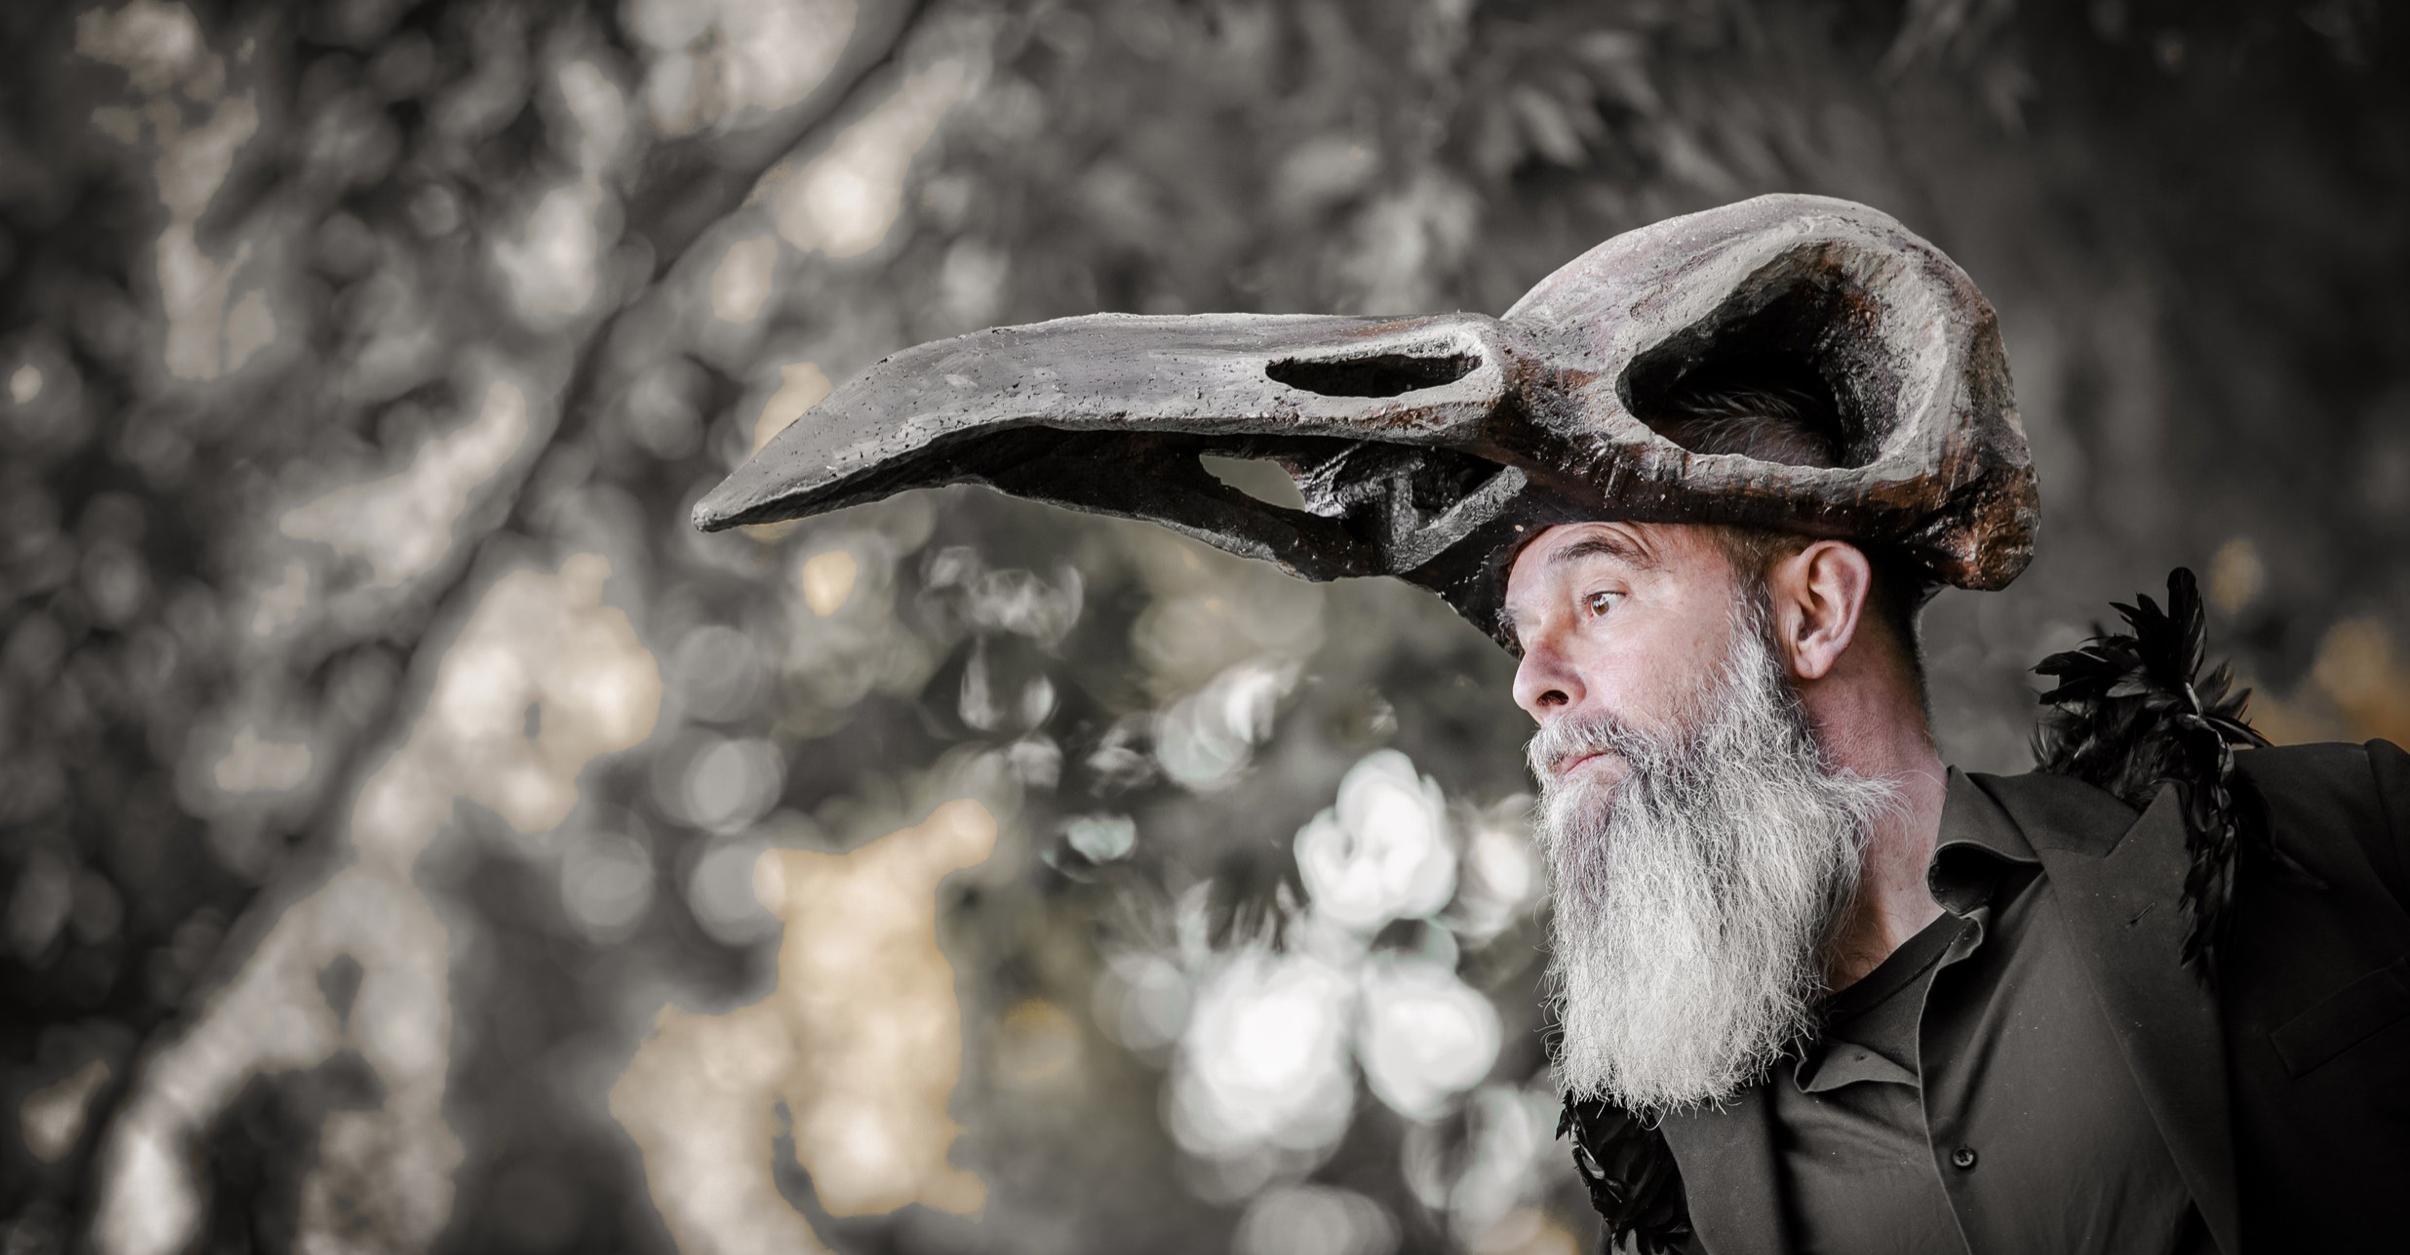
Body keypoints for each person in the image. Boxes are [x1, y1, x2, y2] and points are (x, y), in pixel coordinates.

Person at [695, 196, 2410, 1253]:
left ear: (1811, 606)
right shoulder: (1665, 1204)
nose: (1535, 681)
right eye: (1522, 636)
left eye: (1596, 595)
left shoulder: (2329, 849)